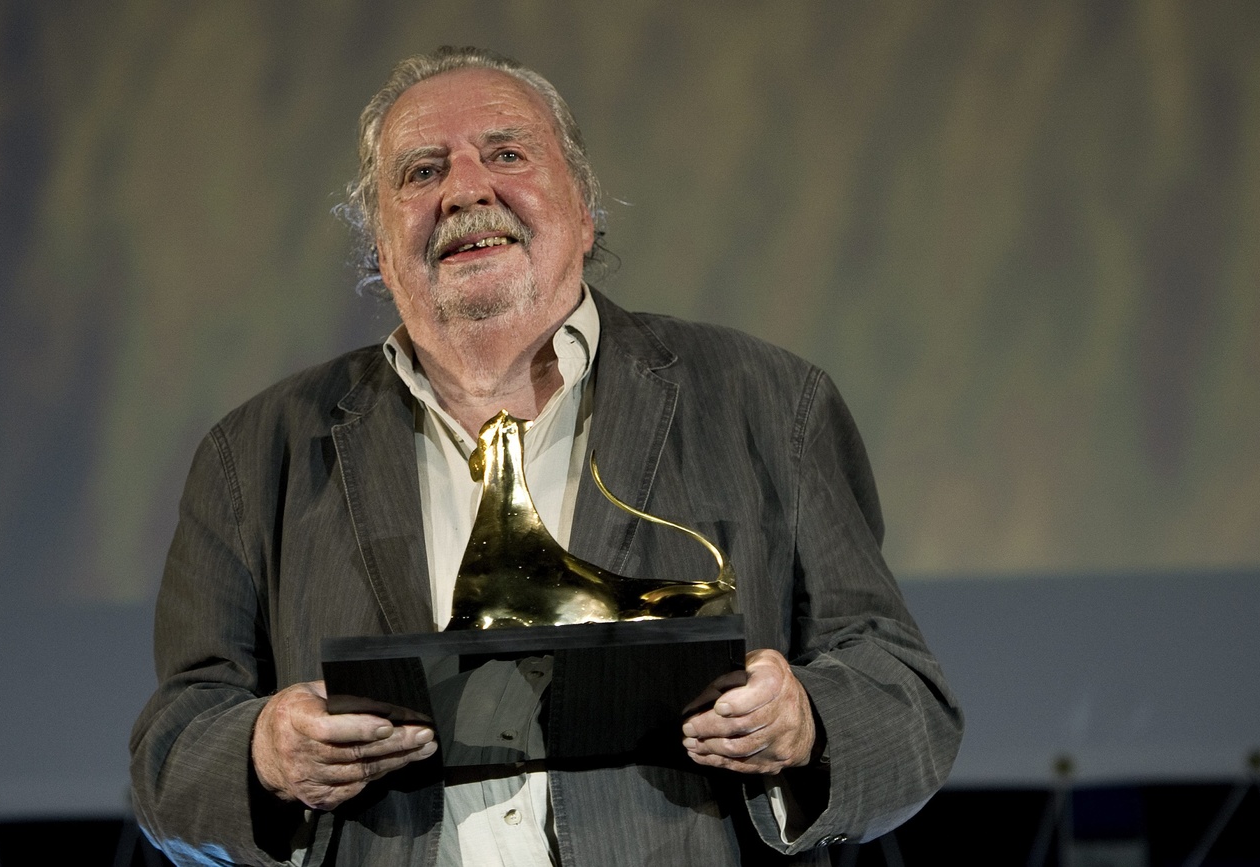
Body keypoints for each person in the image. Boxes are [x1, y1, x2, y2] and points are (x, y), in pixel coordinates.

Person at [129, 46, 963, 866]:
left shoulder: (771, 403)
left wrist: (808, 720)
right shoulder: (254, 454)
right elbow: (171, 757)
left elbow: (909, 705)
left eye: (507, 153)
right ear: (381, 252)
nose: (465, 189)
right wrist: (262, 753)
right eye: (421, 172)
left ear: (585, 207)